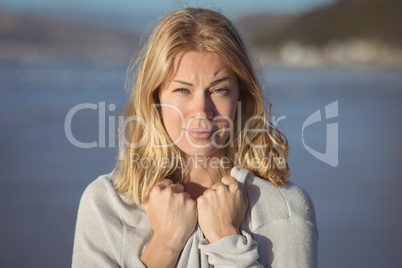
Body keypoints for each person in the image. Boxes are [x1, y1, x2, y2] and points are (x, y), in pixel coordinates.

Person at [72, 7, 318, 268]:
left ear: (240, 97)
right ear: (154, 97)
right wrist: (165, 243)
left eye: (219, 89)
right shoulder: (108, 204)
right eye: (182, 89)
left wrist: (227, 239)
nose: (201, 111)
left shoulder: (284, 208)